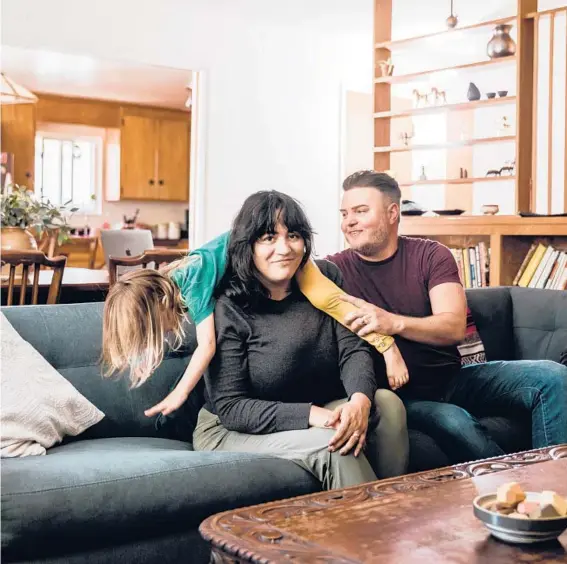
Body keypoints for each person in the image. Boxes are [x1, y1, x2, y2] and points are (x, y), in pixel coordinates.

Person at [326, 169, 567, 463]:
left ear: (392, 213)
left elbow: (452, 326)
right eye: (344, 213)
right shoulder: (333, 272)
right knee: (457, 423)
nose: (348, 221)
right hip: (398, 397)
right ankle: (513, 497)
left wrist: (393, 322)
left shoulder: (431, 255)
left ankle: (554, 490)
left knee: (553, 377)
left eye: (361, 211)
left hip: (454, 379)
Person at [193, 190, 408, 489]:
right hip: (231, 429)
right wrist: (314, 416)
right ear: (249, 245)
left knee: (387, 406)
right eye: (268, 237)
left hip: (314, 408)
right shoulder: (229, 306)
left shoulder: (324, 279)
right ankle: (376, 529)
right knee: (333, 446)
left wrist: (359, 400)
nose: (284, 248)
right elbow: (232, 407)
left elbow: (353, 349)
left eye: (293, 235)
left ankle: (396, 504)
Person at [102, 224, 407, 418]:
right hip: (262, 254)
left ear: (160, 303)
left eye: (159, 328)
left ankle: (388, 347)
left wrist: (179, 393)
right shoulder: (178, 282)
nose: (169, 332)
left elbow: (207, 347)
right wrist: (142, 358)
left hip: (277, 254)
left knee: (326, 299)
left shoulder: (192, 286)